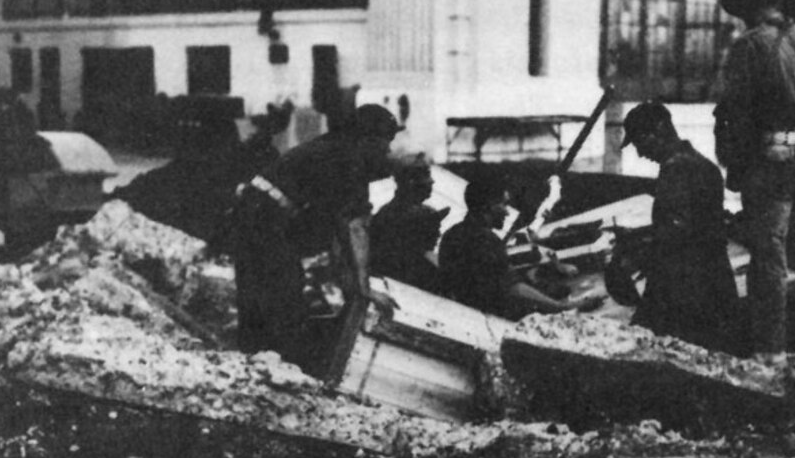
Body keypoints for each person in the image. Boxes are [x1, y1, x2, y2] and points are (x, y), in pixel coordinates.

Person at [715, 0, 795, 361]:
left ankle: (770, 350)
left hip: (771, 163)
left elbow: (737, 113)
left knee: (769, 256)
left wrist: (735, 163)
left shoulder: (750, 46)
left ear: (751, 7)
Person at [226, 103, 401, 369]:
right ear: (367, 138)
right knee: (283, 294)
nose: (387, 151)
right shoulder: (350, 160)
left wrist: (351, 283)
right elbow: (354, 228)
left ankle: (254, 357)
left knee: (259, 291)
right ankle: (274, 363)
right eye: (385, 142)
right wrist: (363, 289)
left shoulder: (334, 147)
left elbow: (338, 233)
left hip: (253, 212)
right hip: (264, 218)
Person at [605, 101, 742, 353]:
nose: (640, 153)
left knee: (646, 349)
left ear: (658, 131)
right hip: (714, 282)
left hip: (687, 288)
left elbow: (677, 235)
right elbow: (693, 224)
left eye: (640, 142)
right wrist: (640, 235)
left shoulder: (676, 169)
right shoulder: (702, 163)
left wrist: (633, 253)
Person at [438, 176, 603, 320]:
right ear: (488, 206)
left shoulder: (451, 235)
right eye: (504, 204)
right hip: (490, 317)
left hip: (461, 312)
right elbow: (514, 289)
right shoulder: (486, 240)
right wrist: (563, 307)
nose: (507, 212)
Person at [370, 159, 449, 295]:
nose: (432, 181)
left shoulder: (386, 212)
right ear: (411, 182)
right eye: (426, 175)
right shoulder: (418, 215)